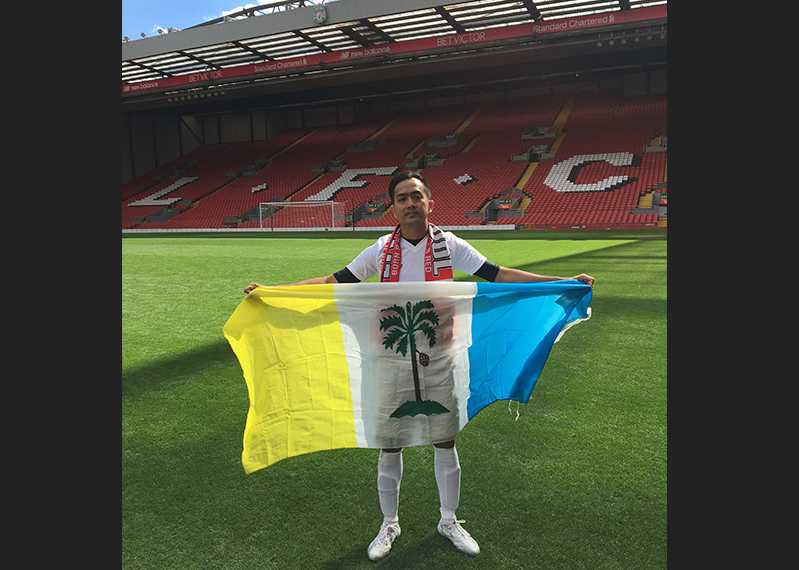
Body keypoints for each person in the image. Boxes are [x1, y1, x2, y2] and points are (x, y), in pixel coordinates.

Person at [244, 171, 594, 561]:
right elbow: (334, 281)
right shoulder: (380, 250)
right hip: (390, 358)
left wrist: (562, 280)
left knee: (444, 438)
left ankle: (449, 520)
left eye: (416, 196)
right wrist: (276, 291)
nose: (410, 203)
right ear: (392, 208)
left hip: (442, 357)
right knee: (389, 443)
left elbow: (499, 276)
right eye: (401, 198)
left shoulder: (450, 245)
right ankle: (389, 523)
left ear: (430, 203)